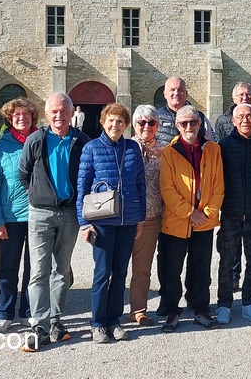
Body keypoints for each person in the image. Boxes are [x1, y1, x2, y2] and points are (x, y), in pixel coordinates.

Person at [18, 93, 90, 352]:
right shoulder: (36, 140)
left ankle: (56, 320)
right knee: (39, 270)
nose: (59, 115)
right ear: (47, 114)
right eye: (54, 111)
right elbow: (24, 173)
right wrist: (40, 195)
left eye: (64, 111)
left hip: (69, 213)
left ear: (72, 113)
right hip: (41, 213)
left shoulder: (82, 141)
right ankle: (39, 323)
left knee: (62, 269)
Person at [76, 103, 146, 343]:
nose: (115, 125)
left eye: (120, 121)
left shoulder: (132, 148)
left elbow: (140, 183)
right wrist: (84, 223)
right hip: (102, 220)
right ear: (103, 122)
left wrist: (140, 218)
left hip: (128, 220)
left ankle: (114, 320)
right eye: (111, 120)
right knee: (102, 272)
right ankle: (97, 323)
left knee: (120, 272)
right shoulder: (92, 148)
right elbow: (83, 186)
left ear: (126, 125)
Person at [156, 105, 225, 332]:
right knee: (172, 269)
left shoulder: (213, 149)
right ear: (177, 125)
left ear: (200, 124)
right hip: (177, 220)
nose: (189, 127)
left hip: (203, 221)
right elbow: (167, 189)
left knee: (201, 267)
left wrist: (207, 213)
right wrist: (189, 212)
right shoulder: (169, 152)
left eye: (193, 122)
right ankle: (172, 310)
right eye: (184, 123)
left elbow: (218, 185)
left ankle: (200, 308)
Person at [215, 103, 251, 324]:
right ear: (233, 121)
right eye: (240, 117)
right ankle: (224, 304)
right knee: (227, 260)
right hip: (231, 212)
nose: (245, 120)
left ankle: (248, 302)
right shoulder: (224, 145)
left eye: (249, 116)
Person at [0, 97, 39, 334]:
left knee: (34, 267)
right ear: (9, 118)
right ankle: (4, 313)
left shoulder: (41, 141)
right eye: (16, 115)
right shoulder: (1, 147)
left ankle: (28, 312)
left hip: (38, 215)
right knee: (8, 267)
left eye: (26, 114)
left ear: (32, 117)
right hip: (11, 217)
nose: (21, 118)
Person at [127, 104, 163, 326]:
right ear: (134, 124)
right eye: (141, 122)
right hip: (125, 217)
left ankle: (138, 310)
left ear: (157, 125)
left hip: (151, 216)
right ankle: (109, 311)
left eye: (151, 122)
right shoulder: (125, 148)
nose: (146, 126)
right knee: (115, 267)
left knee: (142, 267)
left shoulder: (164, 152)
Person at [155, 76, 213, 146]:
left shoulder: (200, 117)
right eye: (172, 90)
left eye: (180, 90)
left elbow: (211, 145)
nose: (176, 93)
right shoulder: (156, 118)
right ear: (165, 94)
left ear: (186, 94)